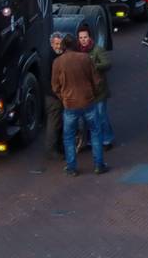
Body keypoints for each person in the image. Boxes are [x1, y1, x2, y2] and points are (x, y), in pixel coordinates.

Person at [51, 34, 107, 176]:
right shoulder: (85, 58)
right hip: (88, 101)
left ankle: (71, 167)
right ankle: (99, 165)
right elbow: (96, 80)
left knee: (68, 136)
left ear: (63, 46)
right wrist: (93, 94)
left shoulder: (58, 62)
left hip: (70, 104)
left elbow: (55, 86)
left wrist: (63, 97)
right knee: (95, 132)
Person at [77, 24, 114, 150]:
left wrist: (94, 65)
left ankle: (107, 139)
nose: (83, 40)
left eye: (85, 37)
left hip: (99, 91)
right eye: (81, 38)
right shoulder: (77, 52)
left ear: (90, 37)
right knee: (88, 118)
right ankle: (92, 141)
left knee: (101, 116)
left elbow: (107, 64)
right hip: (86, 92)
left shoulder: (97, 50)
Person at [44, 32, 66, 160]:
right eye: (56, 44)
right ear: (52, 44)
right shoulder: (50, 59)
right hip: (53, 97)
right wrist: (58, 95)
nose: (59, 46)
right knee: (54, 123)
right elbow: (47, 80)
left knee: (59, 122)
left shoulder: (59, 56)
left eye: (60, 44)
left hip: (57, 95)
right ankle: (51, 150)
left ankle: (58, 147)